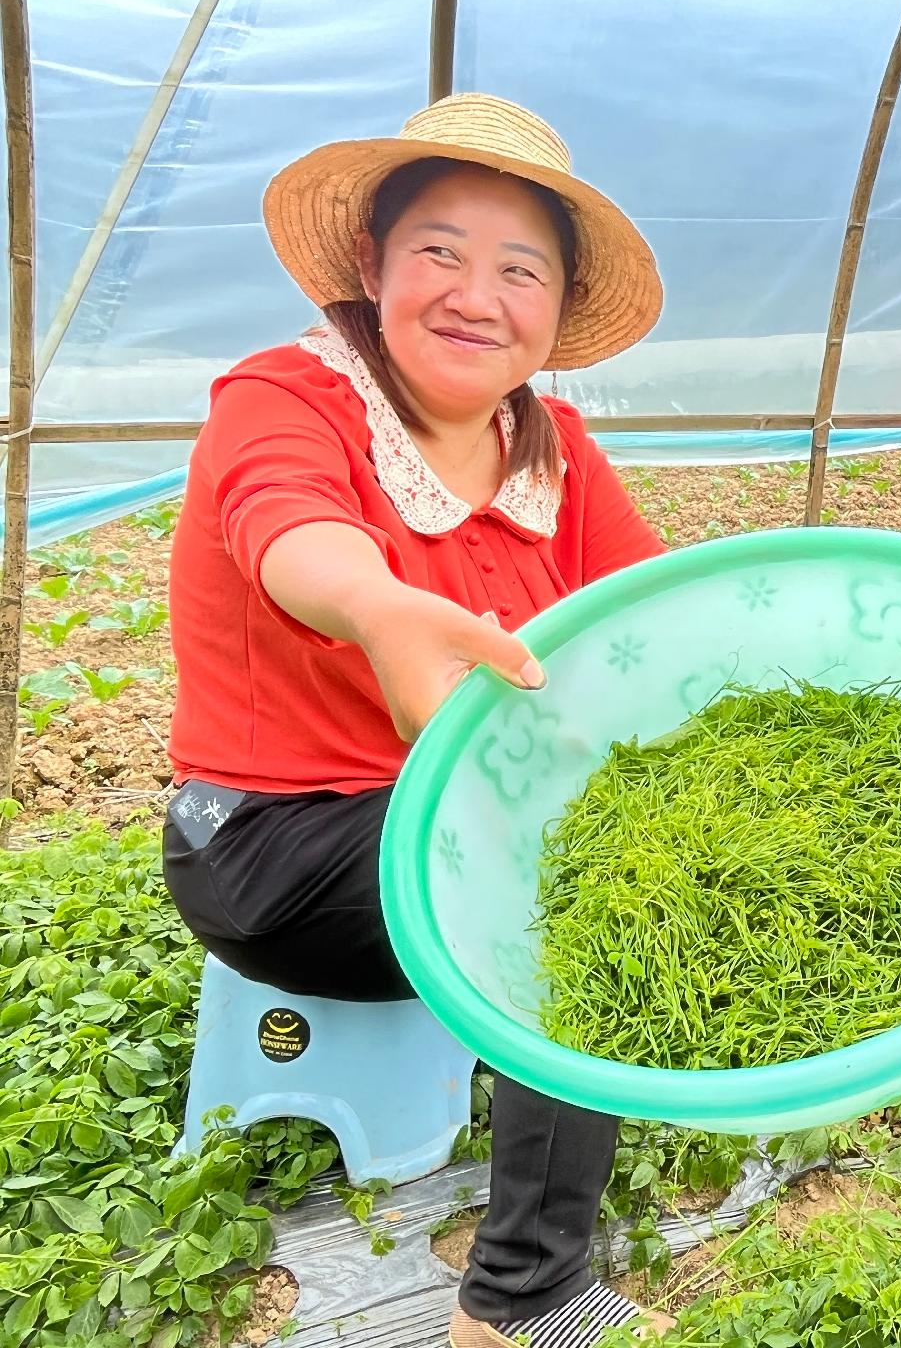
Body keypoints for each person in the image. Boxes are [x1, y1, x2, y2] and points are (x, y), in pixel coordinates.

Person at [163, 94, 673, 1348]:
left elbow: (647, 622)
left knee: (625, 840)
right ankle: (521, 1299)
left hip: (451, 811)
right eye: (439, 250)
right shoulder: (290, 394)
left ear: (554, 311)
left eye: (520, 269)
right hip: (271, 843)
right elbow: (289, 530)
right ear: (371, 266)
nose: (476, 294)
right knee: (571, 890)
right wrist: (381, 608)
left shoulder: (553, 454)